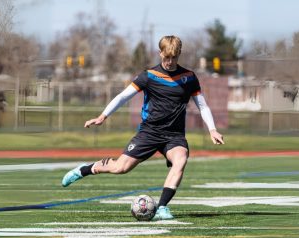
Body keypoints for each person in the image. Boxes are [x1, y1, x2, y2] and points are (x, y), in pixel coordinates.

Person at [62, 35, 224, 220]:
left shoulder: (189, 77)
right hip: (149, 132)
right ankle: (85, 169)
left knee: (181, 159)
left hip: (174, 136)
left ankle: (162, 207)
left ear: (179, 55)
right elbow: (123, 96)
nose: (170, 62)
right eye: (166, 57)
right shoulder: (149, 76)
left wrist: (212, 129)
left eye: (174, 57)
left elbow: (202, 105)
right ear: (160, 53)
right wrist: (103, 116)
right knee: (120, 168)